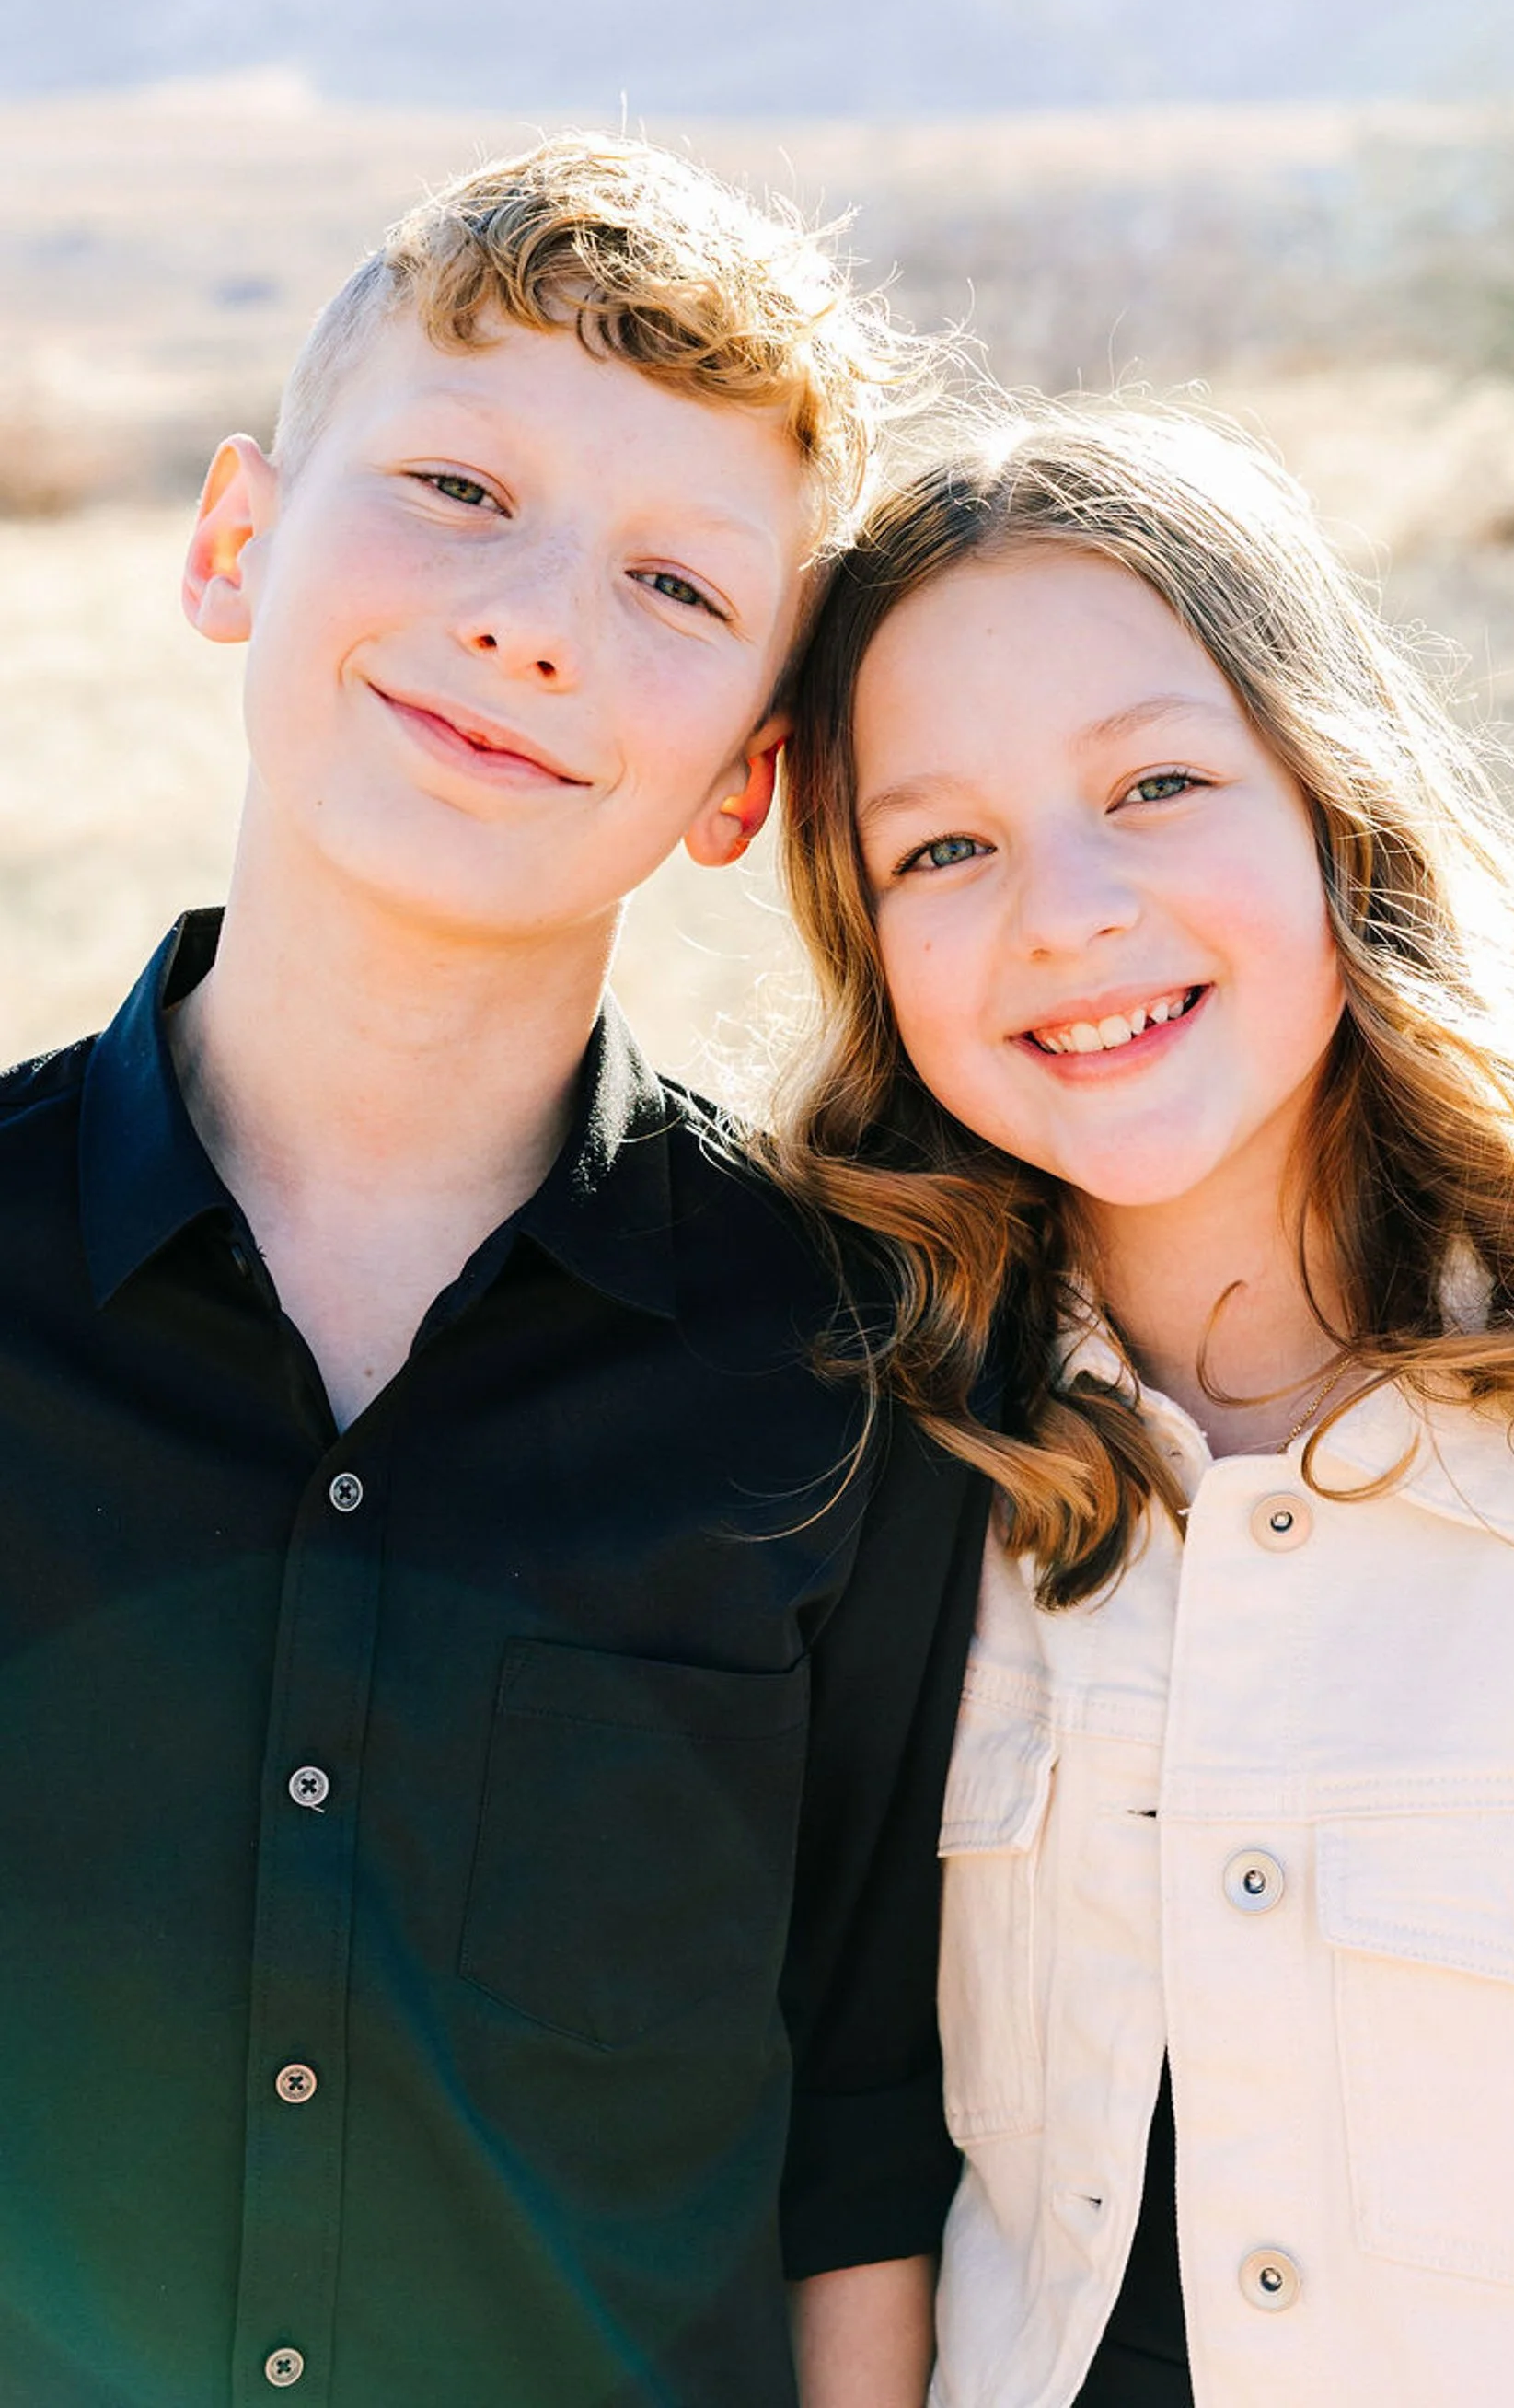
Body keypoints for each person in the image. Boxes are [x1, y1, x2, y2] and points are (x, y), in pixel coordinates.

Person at [768, 400, 1514, 2408]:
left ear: (1335, 802)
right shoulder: (876, 1455)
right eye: (943, 845)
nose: (1063, 909)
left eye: (1155, 783)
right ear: (868, 938)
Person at [0, 135, 985, 2408]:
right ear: (234, 543)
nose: (534, 621)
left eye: (671, 583)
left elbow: (858, 2153)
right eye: (456, 487)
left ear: (743, 779)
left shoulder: (847, 1380)